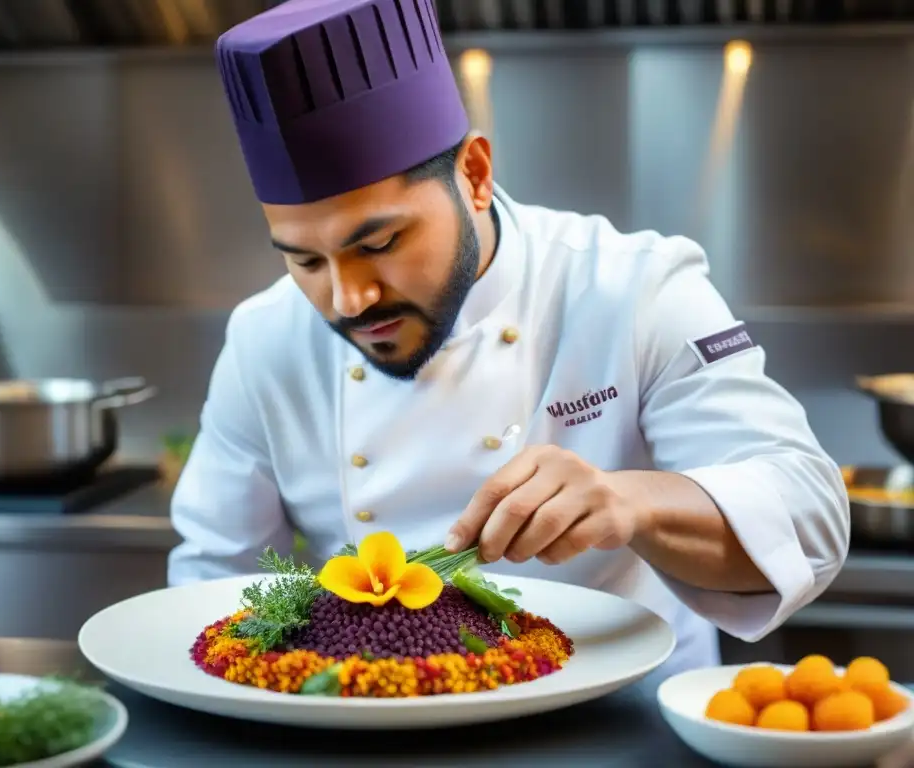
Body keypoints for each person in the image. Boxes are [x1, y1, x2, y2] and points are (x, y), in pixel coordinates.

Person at [168, 0, 849, 675]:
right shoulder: (265, 339)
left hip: (623, 726)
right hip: (376, 728)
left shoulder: (631, 287)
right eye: (305, 262)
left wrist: (631, 503)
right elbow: (209, 588)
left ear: (475, 175)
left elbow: (809, 513)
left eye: (378, 242)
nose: (349, 299)